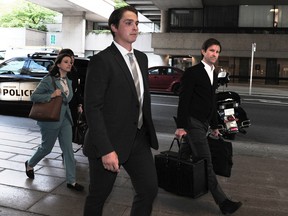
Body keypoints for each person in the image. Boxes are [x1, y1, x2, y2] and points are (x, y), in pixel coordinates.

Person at [82, 6, 159, 216]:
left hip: (138, 139)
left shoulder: (142, 59)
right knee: (98, 196)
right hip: (108, 142)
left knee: (149, 190)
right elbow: (93, 108)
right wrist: (106, 150)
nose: (135, 27)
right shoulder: (101, 60)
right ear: (114, 27)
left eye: (136, 23)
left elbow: (139, 100)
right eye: (128, 23)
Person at [174, 38, 242, 215]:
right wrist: (181, 126)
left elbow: (211, 101)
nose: (215, 54)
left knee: (185, 153)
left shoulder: (213, 72)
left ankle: (176, 181)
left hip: (204, 122)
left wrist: (214, 125)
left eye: (218, 52)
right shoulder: (192, 72)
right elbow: (184, 100)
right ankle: (223, 202)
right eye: (211, 50)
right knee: (206, 161)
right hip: (192, 122)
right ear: (203, 51)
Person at [25, 53, 84, 192]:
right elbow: (34, 96)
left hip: (65, 119)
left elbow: (68, 99)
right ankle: (30, 163)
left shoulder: (68, 81)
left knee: (68, 150)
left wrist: (78, 105)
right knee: (46, 148)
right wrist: (51, 95)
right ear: (58, 64)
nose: (70, 64)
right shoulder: (48, 80)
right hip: (50, 120)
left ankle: (71, 181)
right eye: (66, 62)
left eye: (71, 62)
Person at [58, 48, 83, 142]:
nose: (72, 61)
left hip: (72, 106)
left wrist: (79, 104)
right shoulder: (56, 73)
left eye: (72, 58)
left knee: (70, 130)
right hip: (61, 106)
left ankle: (67, 153)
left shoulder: (74, 71)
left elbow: (77, 89)